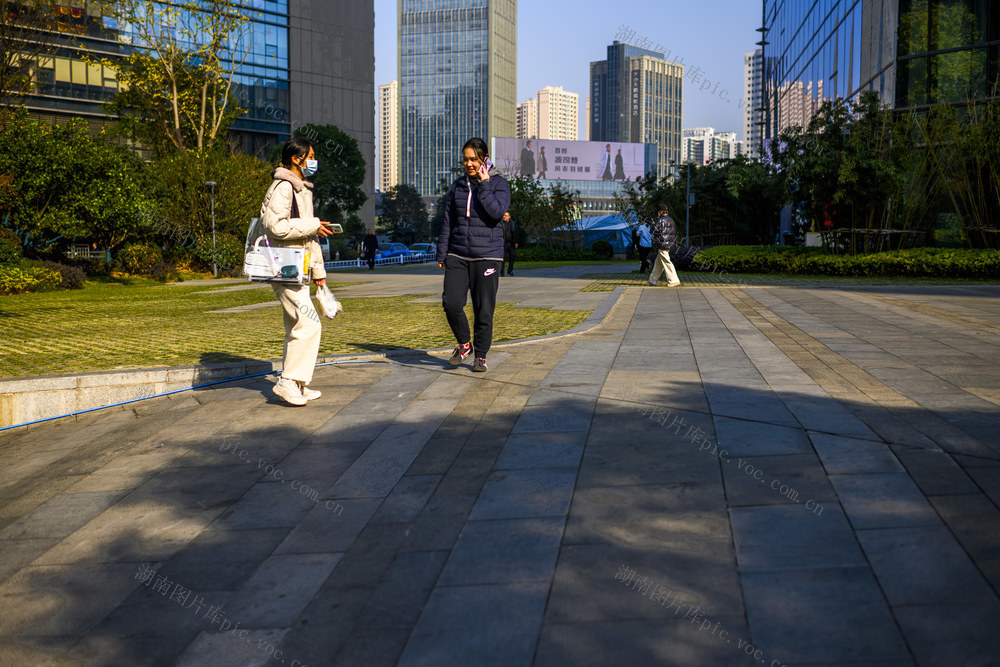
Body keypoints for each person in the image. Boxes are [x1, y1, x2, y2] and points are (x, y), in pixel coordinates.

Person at [259, 137, 335, 406]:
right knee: (310, 323)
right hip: (284, 266)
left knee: (296, 325)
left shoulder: (301, 189)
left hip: (298, 267)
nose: (314, 162)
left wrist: (318, 272)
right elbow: (275, 227)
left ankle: (298, 383)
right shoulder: (283, 187)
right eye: (310, 156)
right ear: (296, 159)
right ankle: (288, 381)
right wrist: (312, 225)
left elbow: (308, 237)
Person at [437, 137, 511, 373]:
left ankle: (481, 355)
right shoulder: (458, 186)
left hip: (488, 255)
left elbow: (496, 213)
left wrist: (484, 184)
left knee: (484, 308)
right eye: (465, 159)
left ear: (484, 159)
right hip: (458, 254)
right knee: (451, 302)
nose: (468, 164)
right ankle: (464, 344)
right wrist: (442, 253)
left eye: (473, 159)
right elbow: (448, 220)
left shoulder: (499, 184)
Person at [649, 203, 681, 287]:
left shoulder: (660, 220)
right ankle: (653, 280)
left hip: (662, 243)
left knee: (666, 261)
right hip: (669, 243)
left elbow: (652, 231)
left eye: (658, 211)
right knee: (658, 263)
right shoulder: (671, 219)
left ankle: (674, 280)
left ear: (660, 211)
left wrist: (653, 224)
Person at [500, 211, 518, 276]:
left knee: (513, 256)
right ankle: (502, 272)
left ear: (509, 217)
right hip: (503, 243)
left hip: (511, 243)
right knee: (503, 258)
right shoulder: (501, 223)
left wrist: (516, 242)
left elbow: (515, 233)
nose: (504, 216)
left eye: (506, 215)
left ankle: (510, 270)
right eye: (504, 215)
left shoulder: (513, 224)